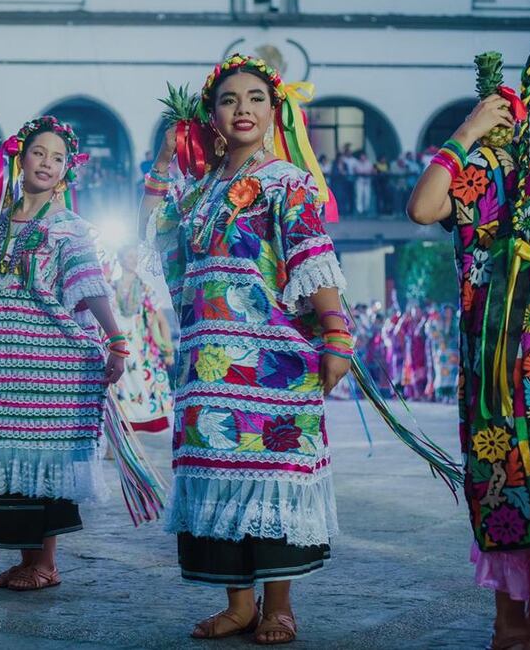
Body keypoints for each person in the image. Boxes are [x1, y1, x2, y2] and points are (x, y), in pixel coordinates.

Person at [140, 55, 349, 644]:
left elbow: (311, 256)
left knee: (274, 471)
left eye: (256, 98)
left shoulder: (288, 180)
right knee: (219, 474)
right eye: (230, 100)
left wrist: (336, 333)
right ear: (211, 116)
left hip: (274, 362)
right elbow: (157, 238)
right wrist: (163, 158)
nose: (243, 110)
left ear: (274, 109)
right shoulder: (201, 192)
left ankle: (279, 604)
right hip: (207, 365)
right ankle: (238, 605)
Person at [0, 115, 124, 591]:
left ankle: (46, 564)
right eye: (39, 152)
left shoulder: (69, 226)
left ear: (67, 171)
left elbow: (89, 286)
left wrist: (116, 339)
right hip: (1, 361)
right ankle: (28, 560)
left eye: (58, 158)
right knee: (11, 458)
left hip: (53, 359)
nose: (48, 163)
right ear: (20, 158)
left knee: (46, 460)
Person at [406, 40, 530, 648]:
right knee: (516, 485)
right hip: (512, 368)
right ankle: (517, 626)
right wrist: (469, 128)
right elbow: (424, 206)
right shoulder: (501, 163)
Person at [110, 244, 174, 433]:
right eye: (129, 257)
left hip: (140, 349)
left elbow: (162, 321)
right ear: (121, 260)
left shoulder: (146, 289)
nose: (133, 260)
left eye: (135, 257)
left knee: (142, 390)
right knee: (119, 393)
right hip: (118, 346)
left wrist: (168, 350)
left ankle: (135, 439)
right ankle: (120, 439)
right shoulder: (111, 288)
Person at [354, 151, 375, 216]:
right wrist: (363, 172)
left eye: (364, 156)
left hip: (367, 182)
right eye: (361, 156)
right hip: (360, 181)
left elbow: (371, 171)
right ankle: (359, 211)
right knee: (359, 196)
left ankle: (366, 210)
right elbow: (356, 170)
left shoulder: (369, 163)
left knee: (367, 196)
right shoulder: (357, 163)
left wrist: (365, 172)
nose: (362, 157)